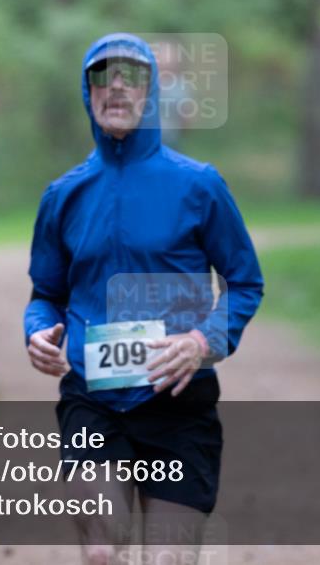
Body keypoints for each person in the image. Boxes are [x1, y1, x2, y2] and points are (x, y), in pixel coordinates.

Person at [23, 32, 263, 565]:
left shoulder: (199, 185)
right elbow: (46, 294)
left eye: (131, 78)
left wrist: (204, 341)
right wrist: (37, 331)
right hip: (94, 398)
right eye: (102, 78)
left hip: (179, 401)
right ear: (86, 94)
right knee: (104, 550)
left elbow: (245, 282)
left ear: (151, 92)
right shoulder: (63, 195)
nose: (116, 89)